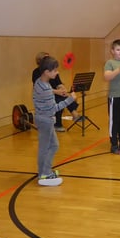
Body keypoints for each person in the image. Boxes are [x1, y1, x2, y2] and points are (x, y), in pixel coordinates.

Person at [33, 56, 77, 186]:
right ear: (47, 72)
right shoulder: (45, 89)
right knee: (46, 147)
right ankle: (44, 174)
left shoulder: (40, 83)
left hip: (44, 119)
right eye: (55, 70)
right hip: (45, 121)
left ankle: (44, 171)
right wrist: (70, 100)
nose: (57, 73)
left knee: (53, 146)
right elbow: (54, 109)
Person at [31, 52, 81, 132]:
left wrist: (63, 89)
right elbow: (43, 90)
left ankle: (71, 115)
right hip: (46, 97)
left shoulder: (52, 71)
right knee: (60, 99)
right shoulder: (36, 73)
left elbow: (59, 83)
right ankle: (65, 119)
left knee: (63, 96)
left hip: (55, 93)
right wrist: (59, 93)